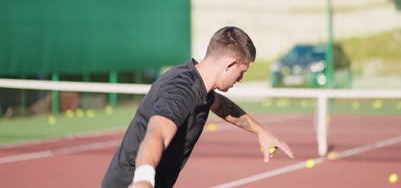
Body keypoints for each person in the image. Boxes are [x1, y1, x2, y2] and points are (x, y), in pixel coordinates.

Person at [102, 26, 294, 188]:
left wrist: (261, 131)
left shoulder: (201, 86)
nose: (241, 79)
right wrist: (143, 179)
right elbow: (156, 134)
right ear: (230, 64)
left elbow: (222, 106)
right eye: (241, 72)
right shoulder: (180, 90)